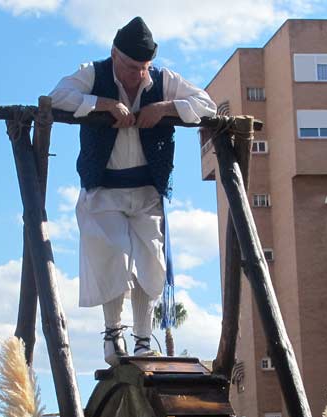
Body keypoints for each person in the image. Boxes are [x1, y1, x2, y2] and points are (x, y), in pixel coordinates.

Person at [49, 17, 216, 365]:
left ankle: (142, 340)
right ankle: (113, 335)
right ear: (114, 55)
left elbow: (206, 105)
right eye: (129, 66)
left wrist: (165, 108)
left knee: (150, 263)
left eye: (143, 67)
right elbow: (56, 97)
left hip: (146, 190)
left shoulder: (163, 80)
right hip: (104, 188)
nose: (137, 74)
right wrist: (103, 104)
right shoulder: (92, 73)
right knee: (113, 254)